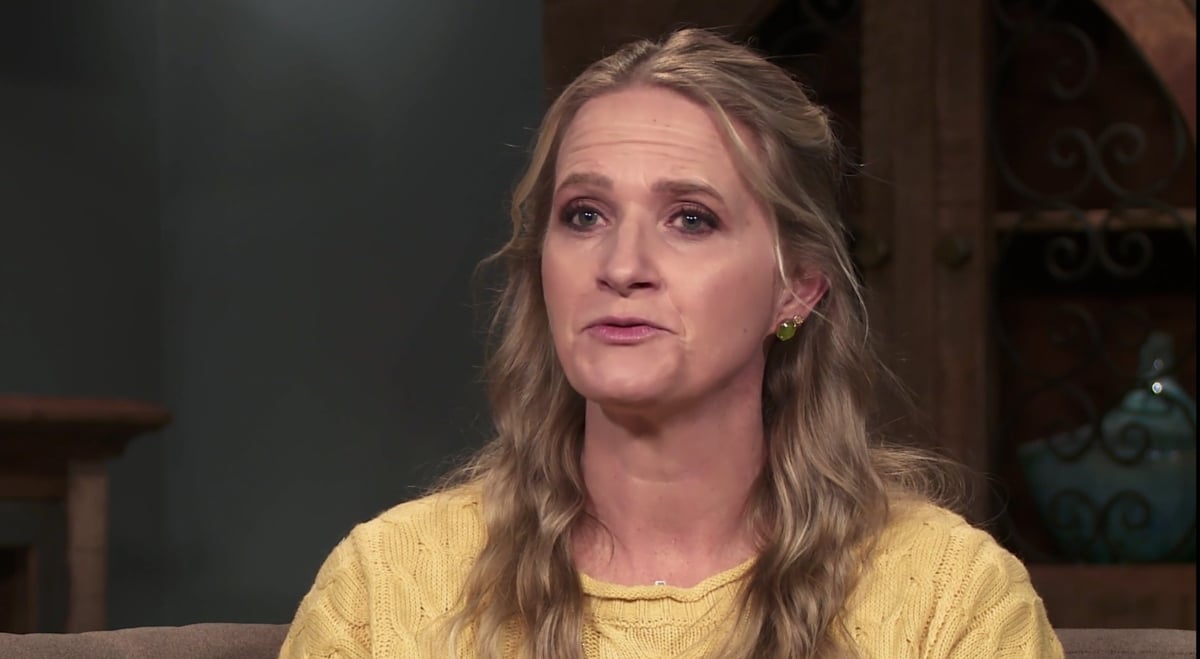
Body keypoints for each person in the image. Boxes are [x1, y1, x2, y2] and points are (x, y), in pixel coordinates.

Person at [279, 28, 1063, 658]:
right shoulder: (385, 590)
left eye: (691, 218)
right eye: (584, 214)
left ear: (798, 286)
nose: (620, 266)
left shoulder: (946, 599)